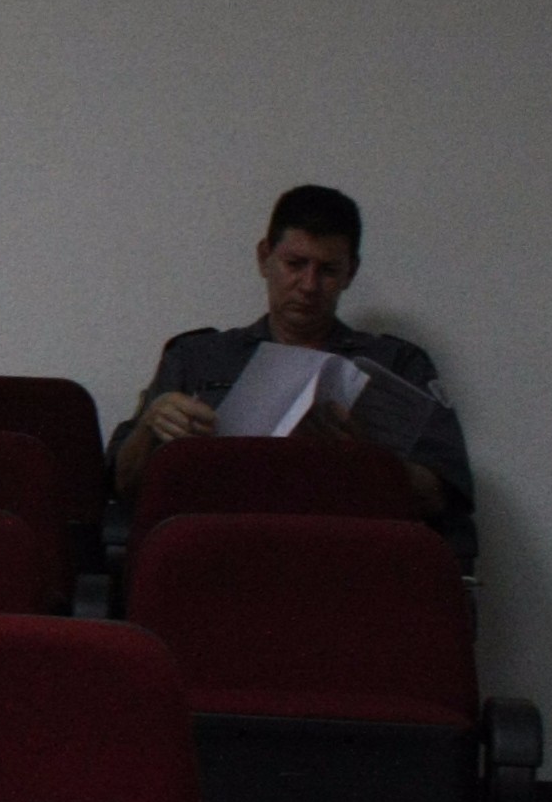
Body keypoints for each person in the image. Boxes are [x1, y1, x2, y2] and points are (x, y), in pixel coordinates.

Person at [115, 183, 473, 547]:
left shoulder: (397, 363)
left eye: (328, 270)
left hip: (347, 549)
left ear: (351, 272)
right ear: (264, 258)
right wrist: (150, 426)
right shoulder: (196, 357)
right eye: (295, 264)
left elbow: (442, 496)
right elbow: (122, 483)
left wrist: (367, 459)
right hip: (219, 546)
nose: (309, 285)